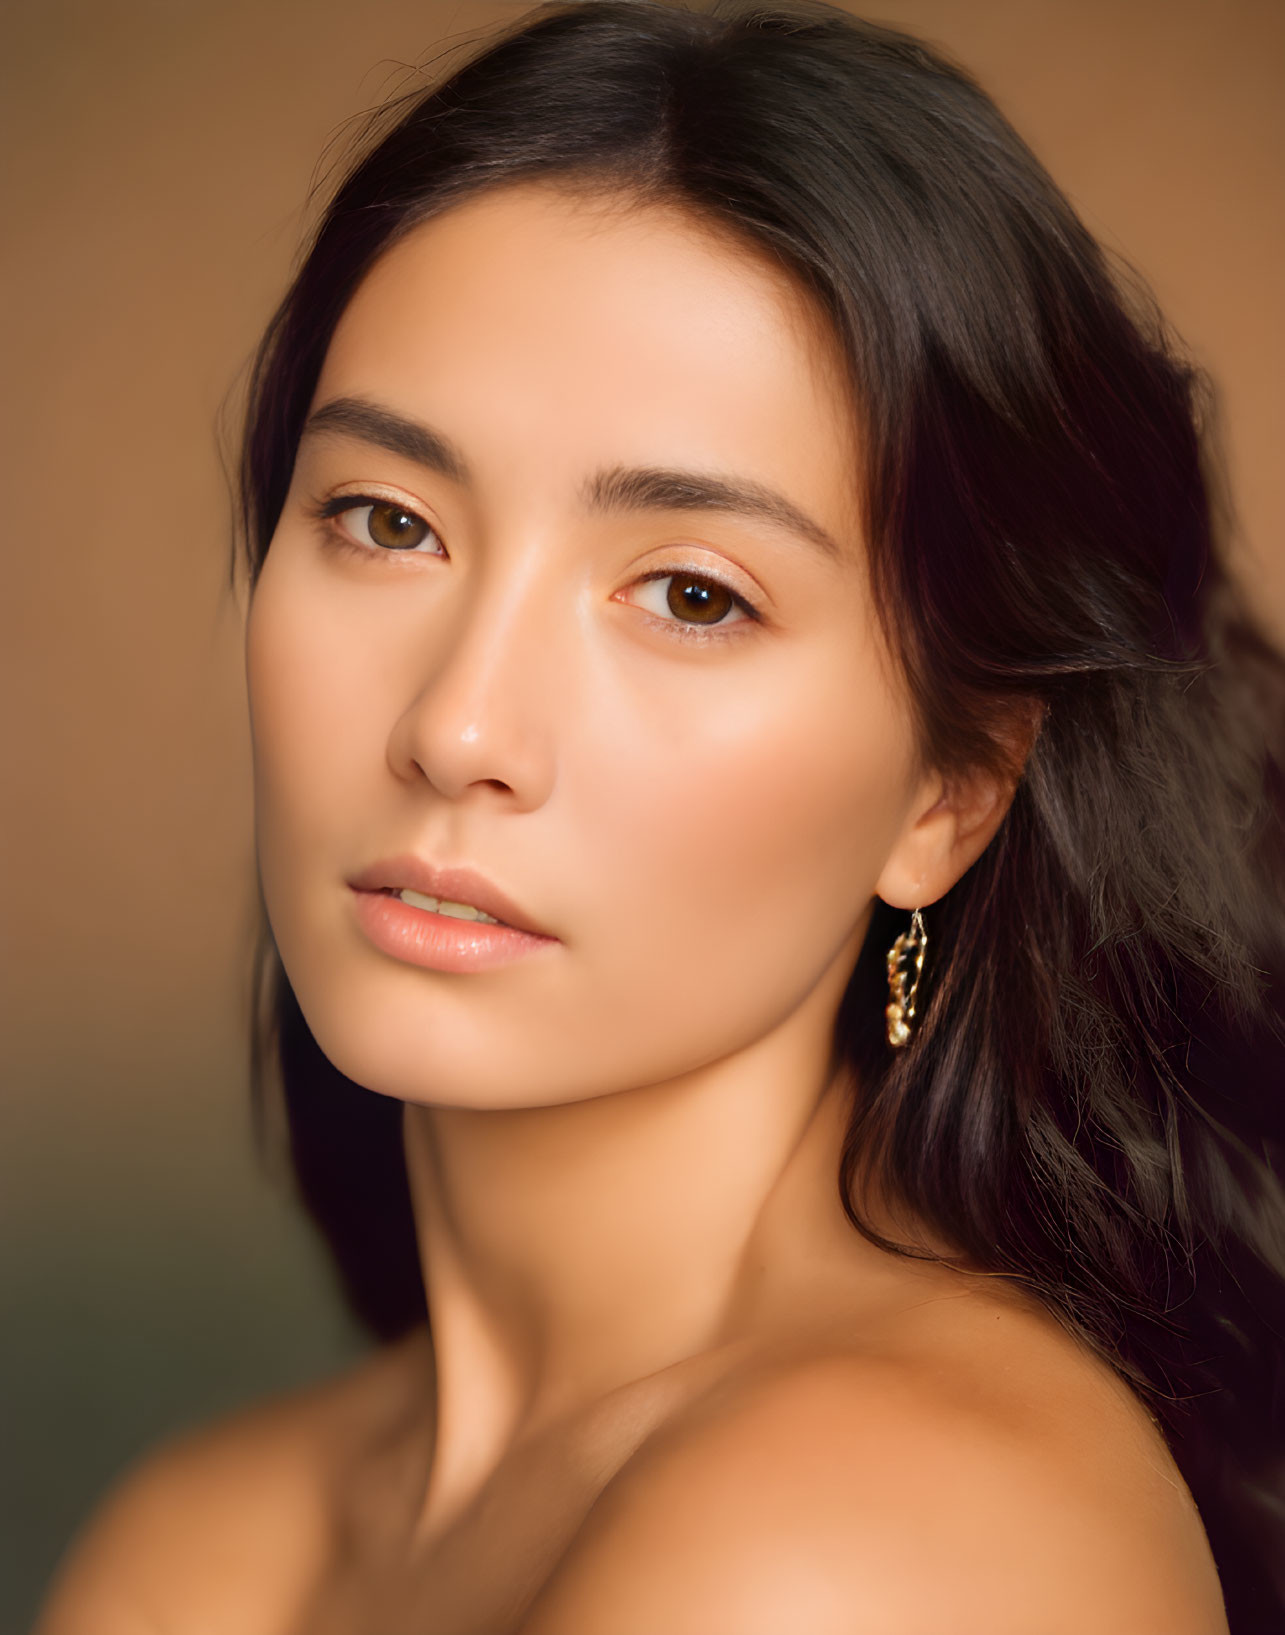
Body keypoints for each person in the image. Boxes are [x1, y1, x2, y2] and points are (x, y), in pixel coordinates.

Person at [34, 1, 1285, 1630]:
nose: (457, 727)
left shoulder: (883, 1540)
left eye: (691, 594)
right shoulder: (205, 1540)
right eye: (386, 519)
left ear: (950, 793)